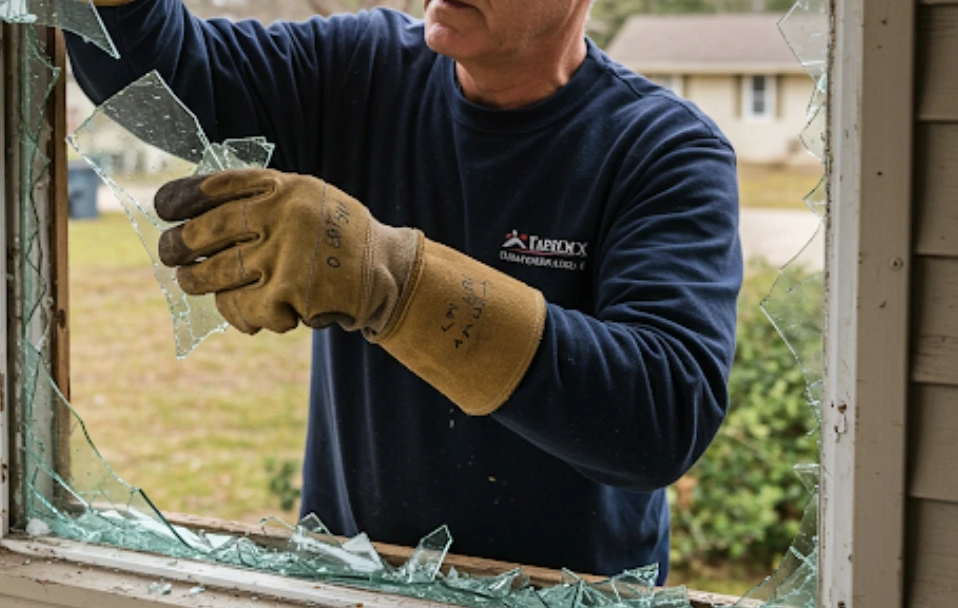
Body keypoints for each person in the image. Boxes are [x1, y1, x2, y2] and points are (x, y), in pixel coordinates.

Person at [69, 0, 743, 582]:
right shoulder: (363, 70)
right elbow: (158, 75)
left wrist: (392, 282)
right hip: (352, 585)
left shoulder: (664, 150)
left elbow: (662, 415)